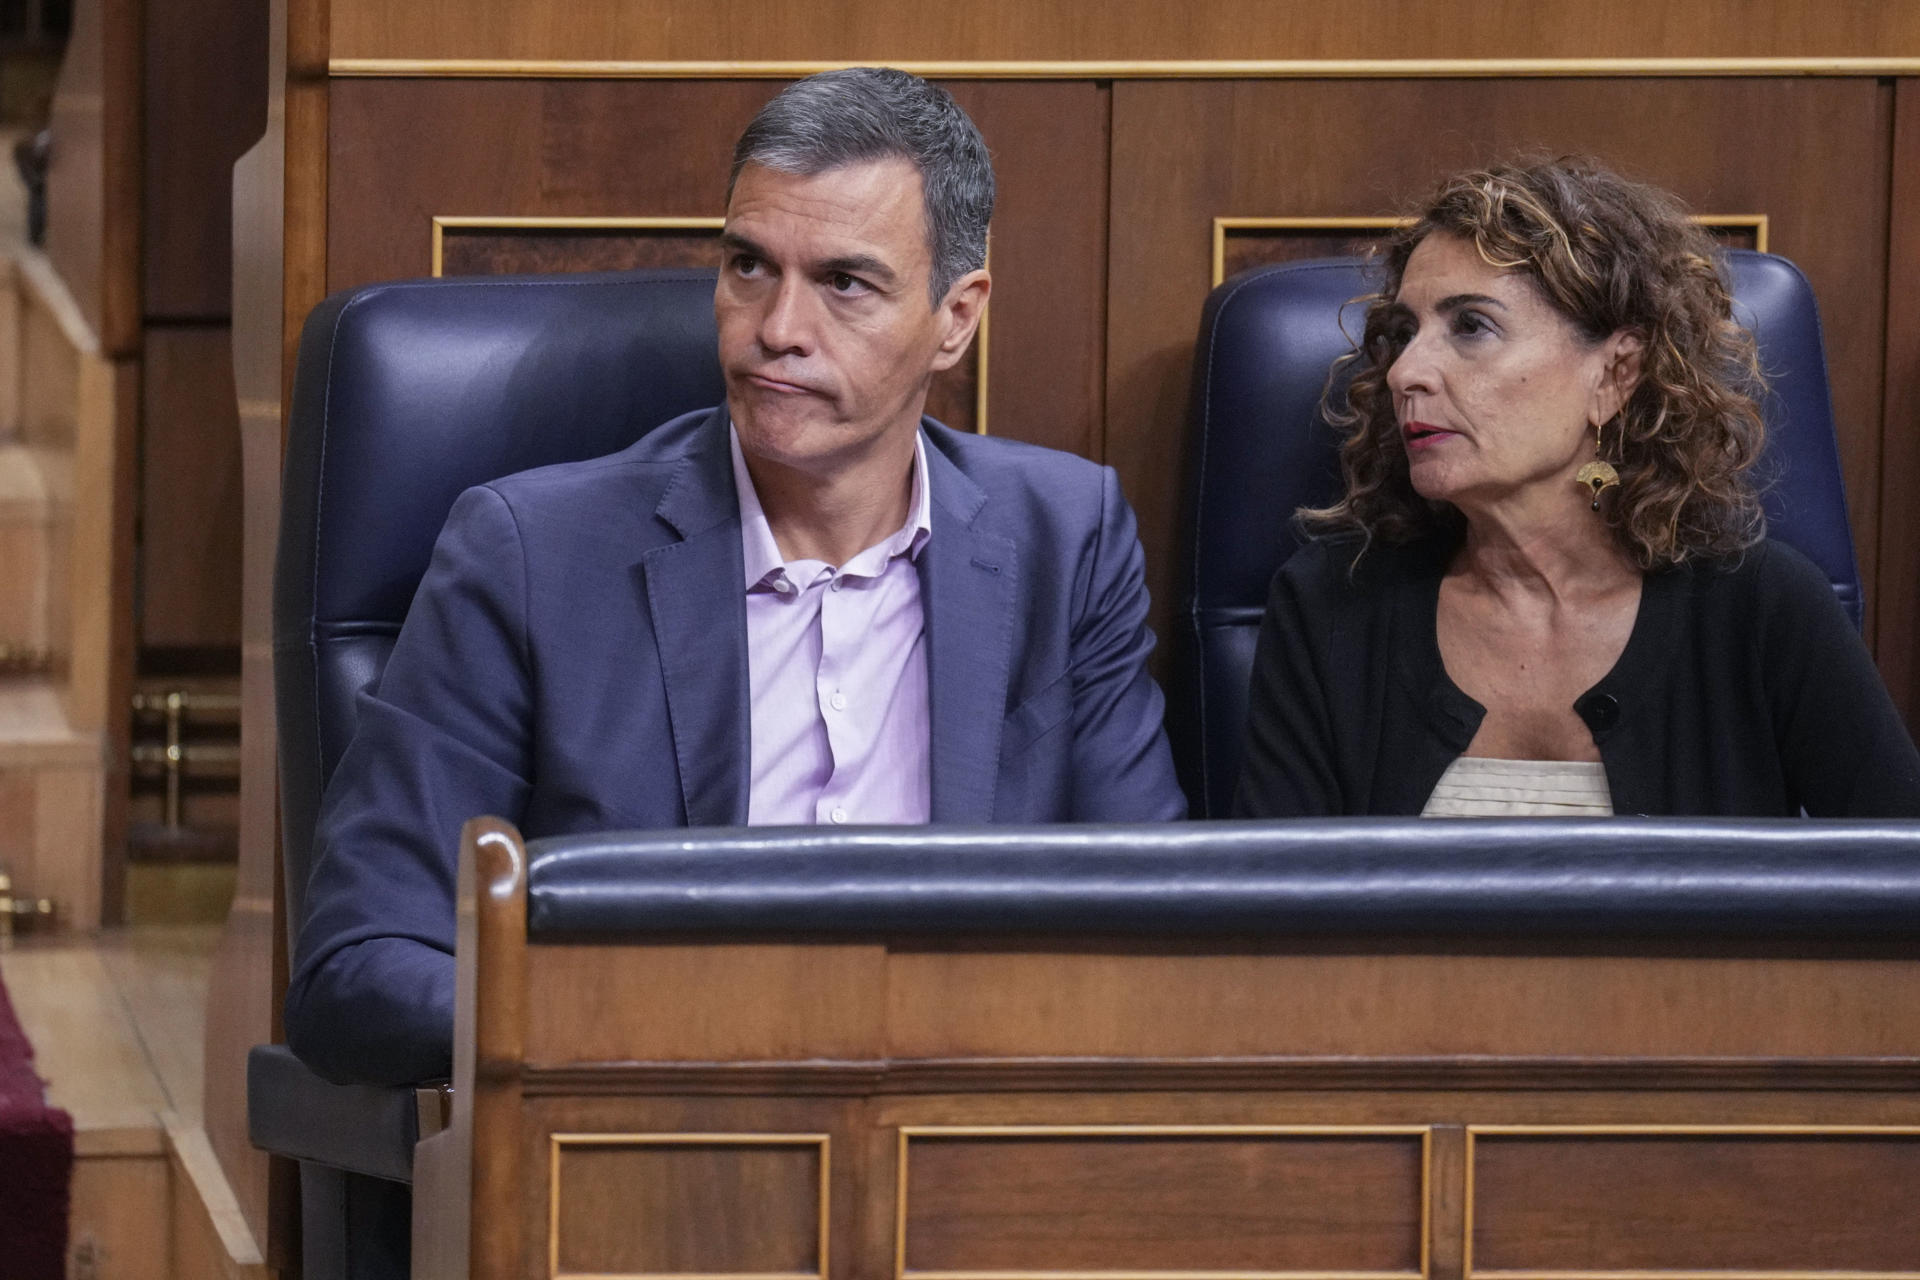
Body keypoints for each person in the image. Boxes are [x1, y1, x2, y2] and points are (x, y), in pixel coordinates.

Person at [288, 67, 1185, 1088]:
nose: (777, 329)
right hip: (645, 1133)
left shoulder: (1064, 542)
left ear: (957, 317)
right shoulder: (530, 555)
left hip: (966, 1134)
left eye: (844, 283)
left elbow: (1153, 933)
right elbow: (359, 966)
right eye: (750, 266)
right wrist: (674, 1033)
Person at [1233, 157, 1920, 819]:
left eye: (1471, 326)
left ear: (1616, 374)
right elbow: (1271, 894)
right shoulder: (1329, 606)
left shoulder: (1764, 609)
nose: (1404, 372)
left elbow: (1896, 873)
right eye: (1405, 333)